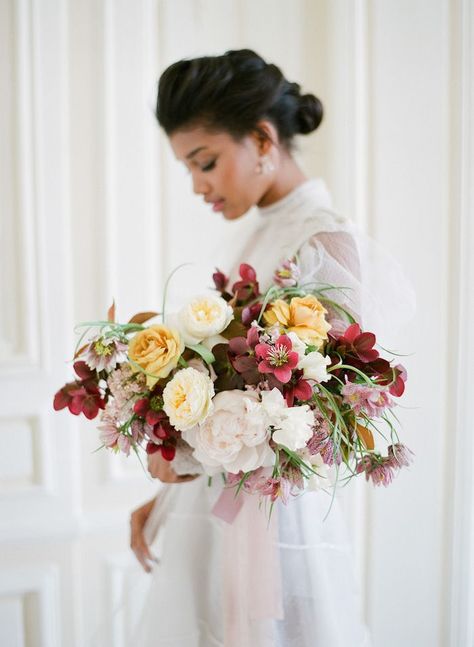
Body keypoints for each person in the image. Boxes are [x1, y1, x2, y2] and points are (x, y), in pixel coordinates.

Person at [128, 48, 378, 647]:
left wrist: (182, 456)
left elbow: (319, 418)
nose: (197, 186)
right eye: (188, 168)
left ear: (263, 139)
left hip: (278, 522)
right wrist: (165, 496)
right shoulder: (257, 231)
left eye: (205, 162)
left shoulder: (325, 240)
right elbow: (229, 384)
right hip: (217, 513)